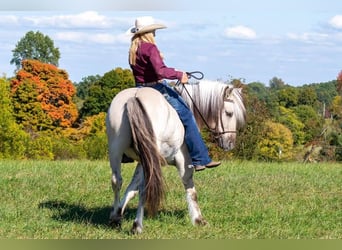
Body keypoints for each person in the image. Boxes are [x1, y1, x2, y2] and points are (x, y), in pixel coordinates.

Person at [127, 16, 220, 171]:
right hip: (155, 87)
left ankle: (126, 153)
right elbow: (160, 71)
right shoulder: (150, 48)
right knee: (187, 116)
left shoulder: (133, 48)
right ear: (150, 31)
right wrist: (179, 74)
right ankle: (200, 159)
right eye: (154, 30)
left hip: (138, 88)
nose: (155, 32)